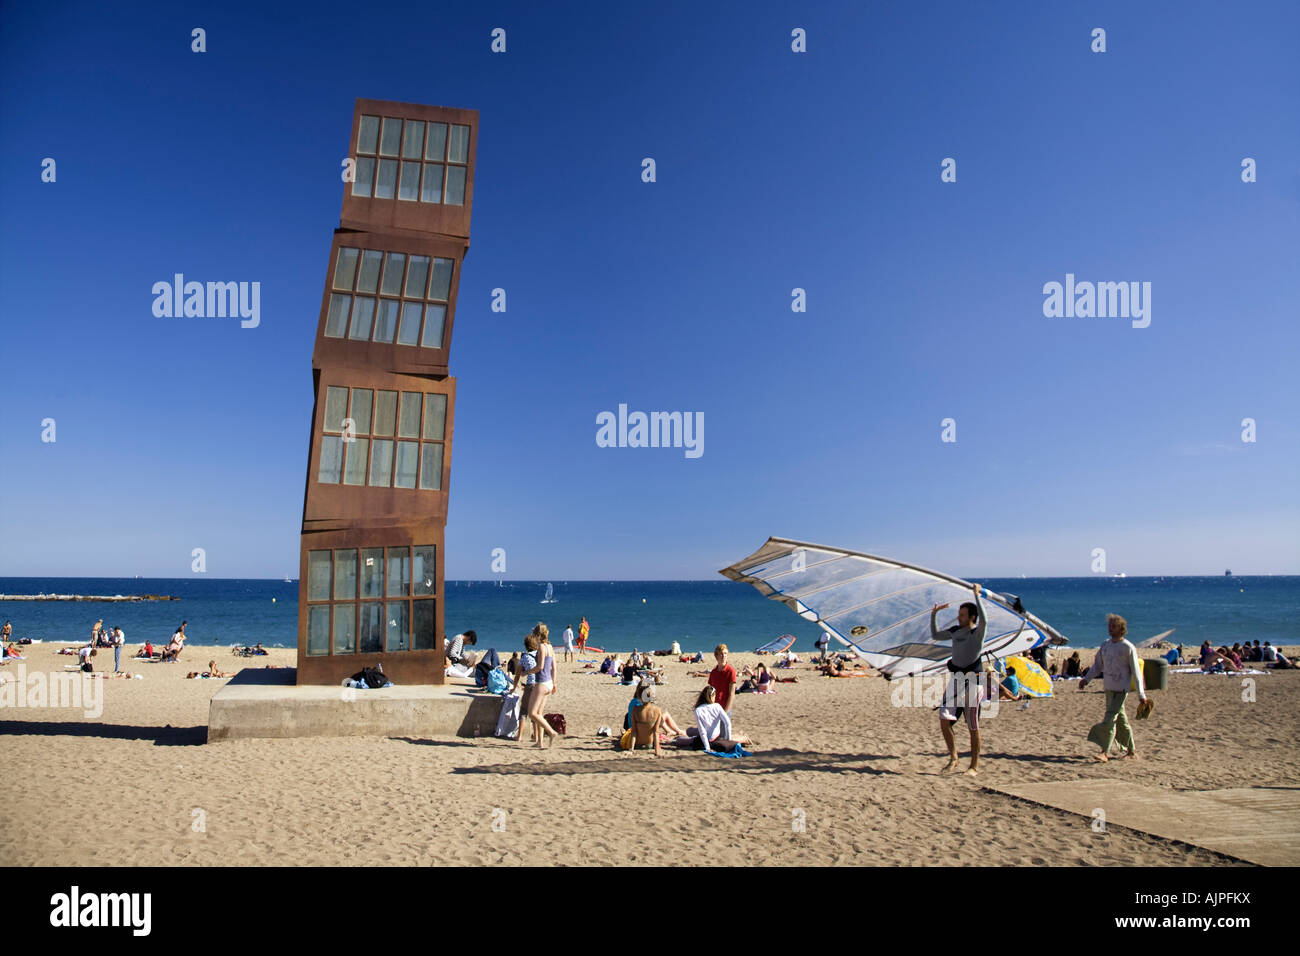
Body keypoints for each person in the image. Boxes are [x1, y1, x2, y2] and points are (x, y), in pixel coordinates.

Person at [931, 583, 987, 775]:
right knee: (944, 719)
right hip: (956, 680)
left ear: (972, 617)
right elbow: (935, 635)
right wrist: (934, 615)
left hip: (973, 682)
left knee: (973, 725)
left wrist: (977, 595)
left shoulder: (976, 634)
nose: (958, 617)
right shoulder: (955, 631)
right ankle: (954, 757)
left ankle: (973, 766)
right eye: (959, 613)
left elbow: (985, 621)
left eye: (962, 614)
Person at [1080, 613, 1148, 762]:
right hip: (1109, 688)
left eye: (1114, 626)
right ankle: (1131, 750)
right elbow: (1098, 665)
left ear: (1121, 628)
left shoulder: (1128, 647)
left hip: (1121, 689)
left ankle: (1104, 752)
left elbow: (1136, 672)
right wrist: (1086, 679)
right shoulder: (1105, 645)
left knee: (1110, 718)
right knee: (1121, 720)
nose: (1110, 628)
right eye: (1109, 626)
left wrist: (1141, 695)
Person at [514, 629, 559, 748]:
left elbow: (540, 667)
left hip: (542, 682)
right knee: (539, 713)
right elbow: (554, 668)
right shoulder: (550, 647)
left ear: (538, 635)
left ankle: (551, 732)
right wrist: (554, 683)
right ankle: (540, 742)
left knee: (532, 713)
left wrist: (526, 672)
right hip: (549, 682)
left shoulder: (542, 647)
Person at [682, 685, 751, 753]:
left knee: (688, 737)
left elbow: (702, 731)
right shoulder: (716, 706)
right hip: (713, 737)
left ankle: (743, 738)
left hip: (708, 738)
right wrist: (728, 740)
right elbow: (727, 723)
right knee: (689, 732)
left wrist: (707, 747)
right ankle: (739, 737)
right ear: (712, 696)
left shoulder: (698, 710)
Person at [707, 644, 738, 714]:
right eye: (721, 654)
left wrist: (725, 712)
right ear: (716, 656)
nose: (723, 656)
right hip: (714, 708)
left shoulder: (731, 671)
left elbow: (731, 694)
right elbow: (710, 693)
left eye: (725, 653)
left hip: (725, 708)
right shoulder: (713, 672)